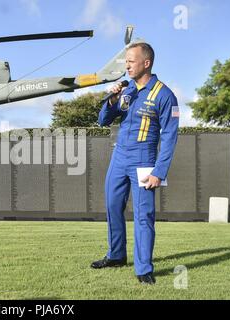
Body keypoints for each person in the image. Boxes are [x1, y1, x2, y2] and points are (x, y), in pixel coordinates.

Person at [91, 42, 179, 284]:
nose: (126, 65)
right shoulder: (127, 90)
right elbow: (102, 121)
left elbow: (170, 136)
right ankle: (116, 255)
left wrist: (159, 172)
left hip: (145, 159)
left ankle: (143, 269)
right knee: (112, 206)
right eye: (126, 61)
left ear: (146, 63)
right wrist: (111, 100)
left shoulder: (165, 95)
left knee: (143, 215)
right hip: (119, 157)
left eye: (131, 61)